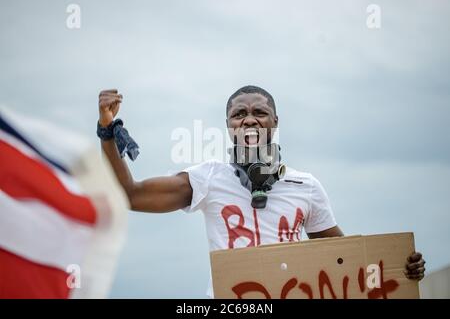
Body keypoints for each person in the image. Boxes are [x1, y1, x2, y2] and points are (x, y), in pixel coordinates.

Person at [97, 86, 426, 298]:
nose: (249, 120)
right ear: (229, 125)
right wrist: (107, 133)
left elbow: (350, 260)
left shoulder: (306, 186)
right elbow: (131, 196)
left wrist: (398, 268)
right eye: (239, 114)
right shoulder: (208, 179)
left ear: (275, 121)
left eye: (259, 113)